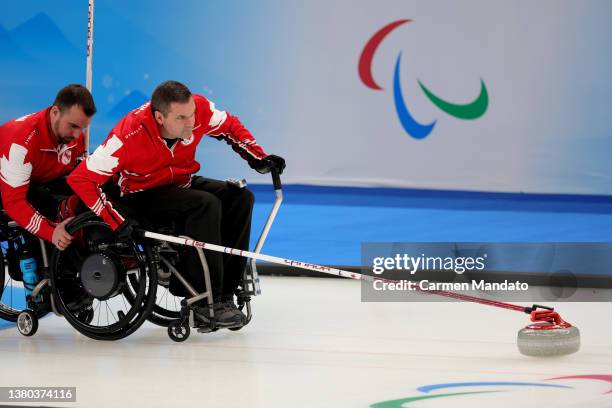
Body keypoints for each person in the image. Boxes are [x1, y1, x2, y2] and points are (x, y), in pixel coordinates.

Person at [68, 80, 285, 328]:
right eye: (182, 118)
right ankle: (205, 302)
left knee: (241, 197)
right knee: (205, 204)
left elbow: (230, 127)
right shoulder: (128, 135)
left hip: (180, 182)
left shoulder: (199, 109)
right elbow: (81, 179)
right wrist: (115, 221)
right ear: (160, 117)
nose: (192, 122)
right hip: (140, 194)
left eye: (192, 114)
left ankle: (224, 295)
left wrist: (258, 157)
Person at [0, 84, 96, 251]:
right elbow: (14, 202)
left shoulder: (76, 137)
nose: (77, 135)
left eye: (82, 128)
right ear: (55, 112)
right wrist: (51, 232)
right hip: (8, 187)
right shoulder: (20, 141)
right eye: (73, 126)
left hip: (39, 179)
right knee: (40, 204)